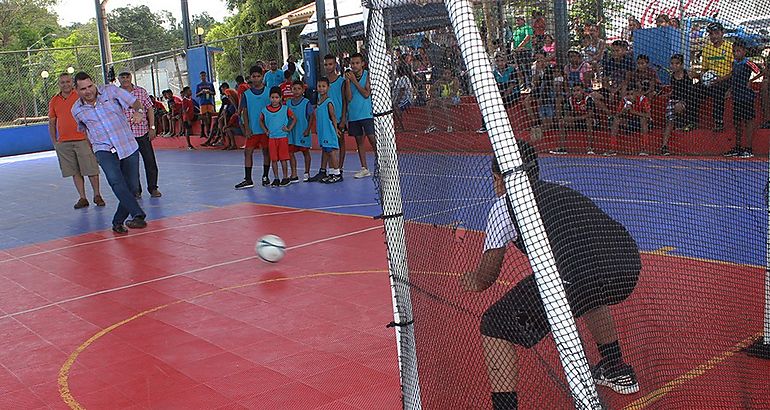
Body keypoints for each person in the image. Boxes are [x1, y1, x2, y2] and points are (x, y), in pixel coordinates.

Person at [461, 140, 640, 409]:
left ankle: (505, 407)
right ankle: (616, 367)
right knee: (589, 292)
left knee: (493, 325)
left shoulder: (505, 206)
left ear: (499, 178)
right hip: (625, 267)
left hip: (579, 274)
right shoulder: (561, 191)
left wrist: (470, 280)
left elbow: (486, 278)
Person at [70, 72, 148, 234]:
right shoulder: (77, 110)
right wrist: (93, 152)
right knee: (115, 181)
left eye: (90, 86)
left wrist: (139, 112)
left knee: (132, 187)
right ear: (76, 90)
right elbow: (84, 130)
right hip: (103, 149)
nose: (88, 91)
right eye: (83, 88)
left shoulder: (111, 91)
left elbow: (136, 103)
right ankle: (138, 214)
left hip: (127, 144)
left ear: (94, 84)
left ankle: (118, 221)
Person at [48, 72, 105, 210]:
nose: (65, 84)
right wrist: (55, 141)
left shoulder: (80, 96)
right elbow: (52, 121)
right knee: (75, 171)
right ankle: (82, 197)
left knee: (91, 168)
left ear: (72, 83)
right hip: (64, 142)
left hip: (82, 139)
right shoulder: (54, 100)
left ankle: (97, 195)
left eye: (68, 82)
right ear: (59, 84)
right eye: (62, 82)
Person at [118, 72, 162, 199]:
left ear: (131, 78)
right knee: (130, 164)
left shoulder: (141, 92)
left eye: (127, 77)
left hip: (142, 132)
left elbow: (149, 108)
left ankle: (153, 188)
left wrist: (152, 127)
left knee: (150, 161)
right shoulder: (116, 94)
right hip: (125, 135)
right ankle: (135, 190)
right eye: (122, 77)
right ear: (119, 79)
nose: (125, 79)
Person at [723, 39, 761, 158]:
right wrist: (730, 90)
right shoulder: (734, 63)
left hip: (747, 97)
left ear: (744, 51)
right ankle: (738, 147)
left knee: (748, 121)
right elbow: (734, 77)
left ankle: (748, 148)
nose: (736, 53)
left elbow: (761, 71)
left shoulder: (748, 63)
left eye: (738, 51)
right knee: (737, 122)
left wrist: (752, 81)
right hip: (737, 97)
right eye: (734, 51)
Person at [236, 65, 272, 189]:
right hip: (253, 129)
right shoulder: (246, 94)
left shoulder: (269, 92)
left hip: (266, 129)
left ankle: (265, 176)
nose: (256, 79)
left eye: (258, 76)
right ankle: (248, 179)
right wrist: (247, 128)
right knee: (247, 152)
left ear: (262, 77)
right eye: (254, 76)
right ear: (250, 78)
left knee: (266, 152)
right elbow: (244, 112)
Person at [346, 52, 376, 179]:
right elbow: (349, 97)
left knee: (372, 138)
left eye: (357, 63)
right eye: (352, 63)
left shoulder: (367, 76)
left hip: (366, 113)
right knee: (359, 141)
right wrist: (348, 82)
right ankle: (364, 168)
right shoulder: (348, 78)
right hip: (354, 114)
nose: (354, 65)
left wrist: (354, 81)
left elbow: (366, 94)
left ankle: (382, 163)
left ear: (362, 64)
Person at [260, 87, 296, 187]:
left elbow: (294, 118)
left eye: (276, 97)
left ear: (280, 98)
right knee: (274, 159)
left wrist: (289, 128)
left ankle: (285, 178)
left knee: (283, 159)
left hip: (283, 137)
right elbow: (260, 120)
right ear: (269, 98)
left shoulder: (285, 109)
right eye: (272, 97)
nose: (274, 99)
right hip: (272, 138)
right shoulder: (265, 110)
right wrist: (265, 130)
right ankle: (276, 178)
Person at [661, 54, 696, 155]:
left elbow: (699, 78)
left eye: (677, 64)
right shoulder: (672, 76)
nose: (673, 66)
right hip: (673, 100)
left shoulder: (688, 73)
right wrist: (667, 95)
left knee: (678, 107)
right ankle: (664, 146)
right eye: (672, 64)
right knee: (669, 122)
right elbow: (675, 90)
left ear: (681, 65)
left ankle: (683, 122)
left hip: (686, 101)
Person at [701, 22, 732, 132]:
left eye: (716, 33)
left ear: (722, 33)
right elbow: (704, 69)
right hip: (711, 79)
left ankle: (718, 122)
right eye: (711, 34)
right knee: (692, 90)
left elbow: (735, 71)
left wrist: (719, 79)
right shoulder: (706, 48)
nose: (713, 36)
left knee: (717, 91)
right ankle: (691, 121)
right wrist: (703, 79)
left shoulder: (730, 47)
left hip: (727, 79)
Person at [609, 83, 652, 155]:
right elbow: (617, 115)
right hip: (628, 122)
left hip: (640, 122)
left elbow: (648, 115)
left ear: (636, 92)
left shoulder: (643, 99)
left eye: (632, 94)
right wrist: (623, 110)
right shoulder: (625, 100)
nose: (629, 96)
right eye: (628, 94)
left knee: (643, 119)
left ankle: (645, 148)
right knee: (616, 120)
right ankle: (613, 148)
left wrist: (633, 112)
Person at [315, 77, 343, 184]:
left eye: (323, 86)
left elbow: (333, 117)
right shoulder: (319, 101)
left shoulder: (328, 102)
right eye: (319, 86)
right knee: (327, 151)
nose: (321, 89)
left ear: (328, 87)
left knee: (331, 152)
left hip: (329, 131)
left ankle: (337, 174)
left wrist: (335, 130)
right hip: (323, 131)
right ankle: (331, 173)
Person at [287, 80, 314, 182]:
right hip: (291, 132)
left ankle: (307, 172)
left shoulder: (306, 102)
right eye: (294, 89)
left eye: (299, 89)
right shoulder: (288, 102)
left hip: (303, 131)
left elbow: (311, 116)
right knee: (290, 153)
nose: (296, 91)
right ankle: (294, 174)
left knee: (305, 152)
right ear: (291, 90)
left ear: (303, 90)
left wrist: (308, 129)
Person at [425, 66, 460, 133]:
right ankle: (431, 125)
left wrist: (445, 98)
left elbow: (455, 92)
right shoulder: (440, 81)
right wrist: (435, 96)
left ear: (451, 74)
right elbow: (430, 90)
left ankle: (450, 126)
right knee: (429, 104)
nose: (446, 75)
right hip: (442, 99)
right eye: (445, 73)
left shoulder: (455, 80)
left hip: (454, 98)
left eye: (448, 73)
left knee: (443, 103)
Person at [195, 71, 216, 138]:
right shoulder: (198, 85)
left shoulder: (210, 84)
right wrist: (201, 92)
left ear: (206, 76)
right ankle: (203, 131)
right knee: (203, 117)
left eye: (204, 75)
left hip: (209, 102)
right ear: (200, 77)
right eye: (202, 76)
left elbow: (214, 93)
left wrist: (209, 92)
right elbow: (196, 94)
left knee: (209, 116)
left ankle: (209, 130)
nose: (203, 77)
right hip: (202, 102)